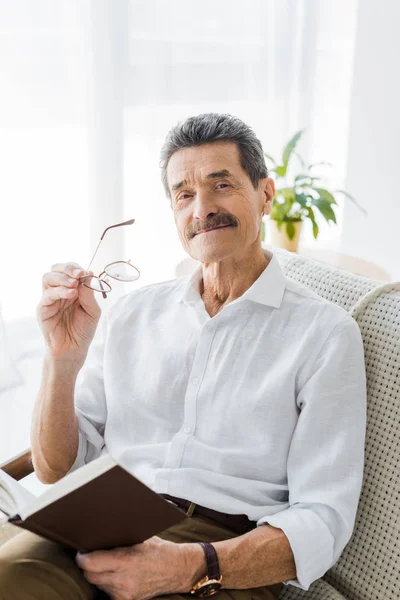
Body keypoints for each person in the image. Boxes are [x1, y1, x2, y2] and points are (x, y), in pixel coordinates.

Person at [0, 113, 367, 600]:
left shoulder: (324, 334)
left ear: (265, 193)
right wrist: (61, 360)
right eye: (184, 195)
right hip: (103, 524)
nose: (203, 209)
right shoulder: (131, 313)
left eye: (222, 185)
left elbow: (323, 518)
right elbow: (55, 468)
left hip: (225, 551)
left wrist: (187, 566)